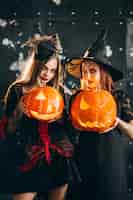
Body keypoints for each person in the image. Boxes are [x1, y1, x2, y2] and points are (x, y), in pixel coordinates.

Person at [1, 34, 80, 200]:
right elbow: (8, 130)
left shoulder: (59, 92)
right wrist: (18, 111)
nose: (47, 74)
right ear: (35, 65)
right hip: (27, 157)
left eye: (52, 70)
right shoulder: (17, 90)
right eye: (44, 68)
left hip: (57, 158)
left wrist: (61, 118)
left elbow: (72, 129)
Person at [66, 29, 133, 200]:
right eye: (84, 71)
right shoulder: (76, 98)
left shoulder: (119, 97)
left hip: (112, 165)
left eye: (93, 71)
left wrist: (116, 121)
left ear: (103, 72)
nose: (87, 76)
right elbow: (68, 135)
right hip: (83, 163)